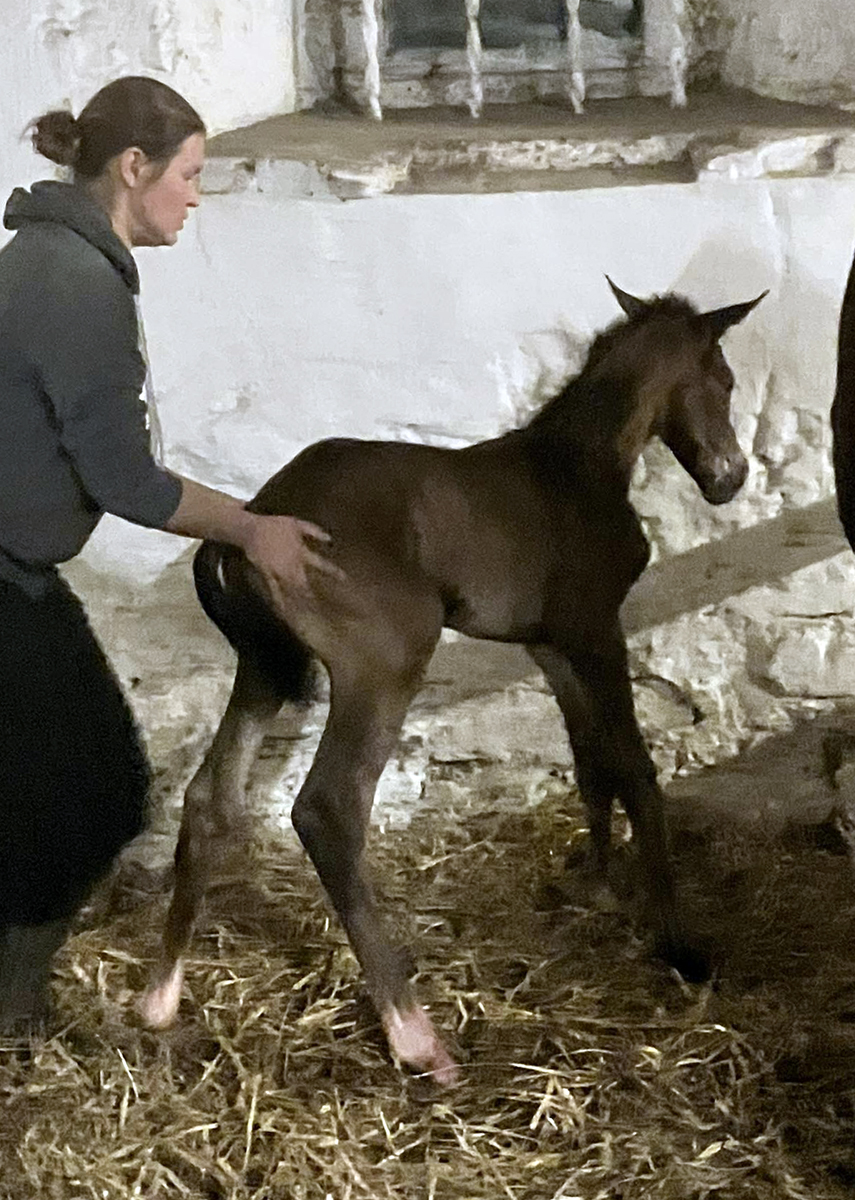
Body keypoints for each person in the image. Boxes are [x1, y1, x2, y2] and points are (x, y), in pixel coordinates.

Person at [0, 75, 341, 1031]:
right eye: (189, 174)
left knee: (57, 789)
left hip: (17, 570)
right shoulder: (72, 283)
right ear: (133, 166)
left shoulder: (53, 255)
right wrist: (252, 528)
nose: (196, 195)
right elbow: (126, 480)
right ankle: (15, 1011)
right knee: (98, 789)